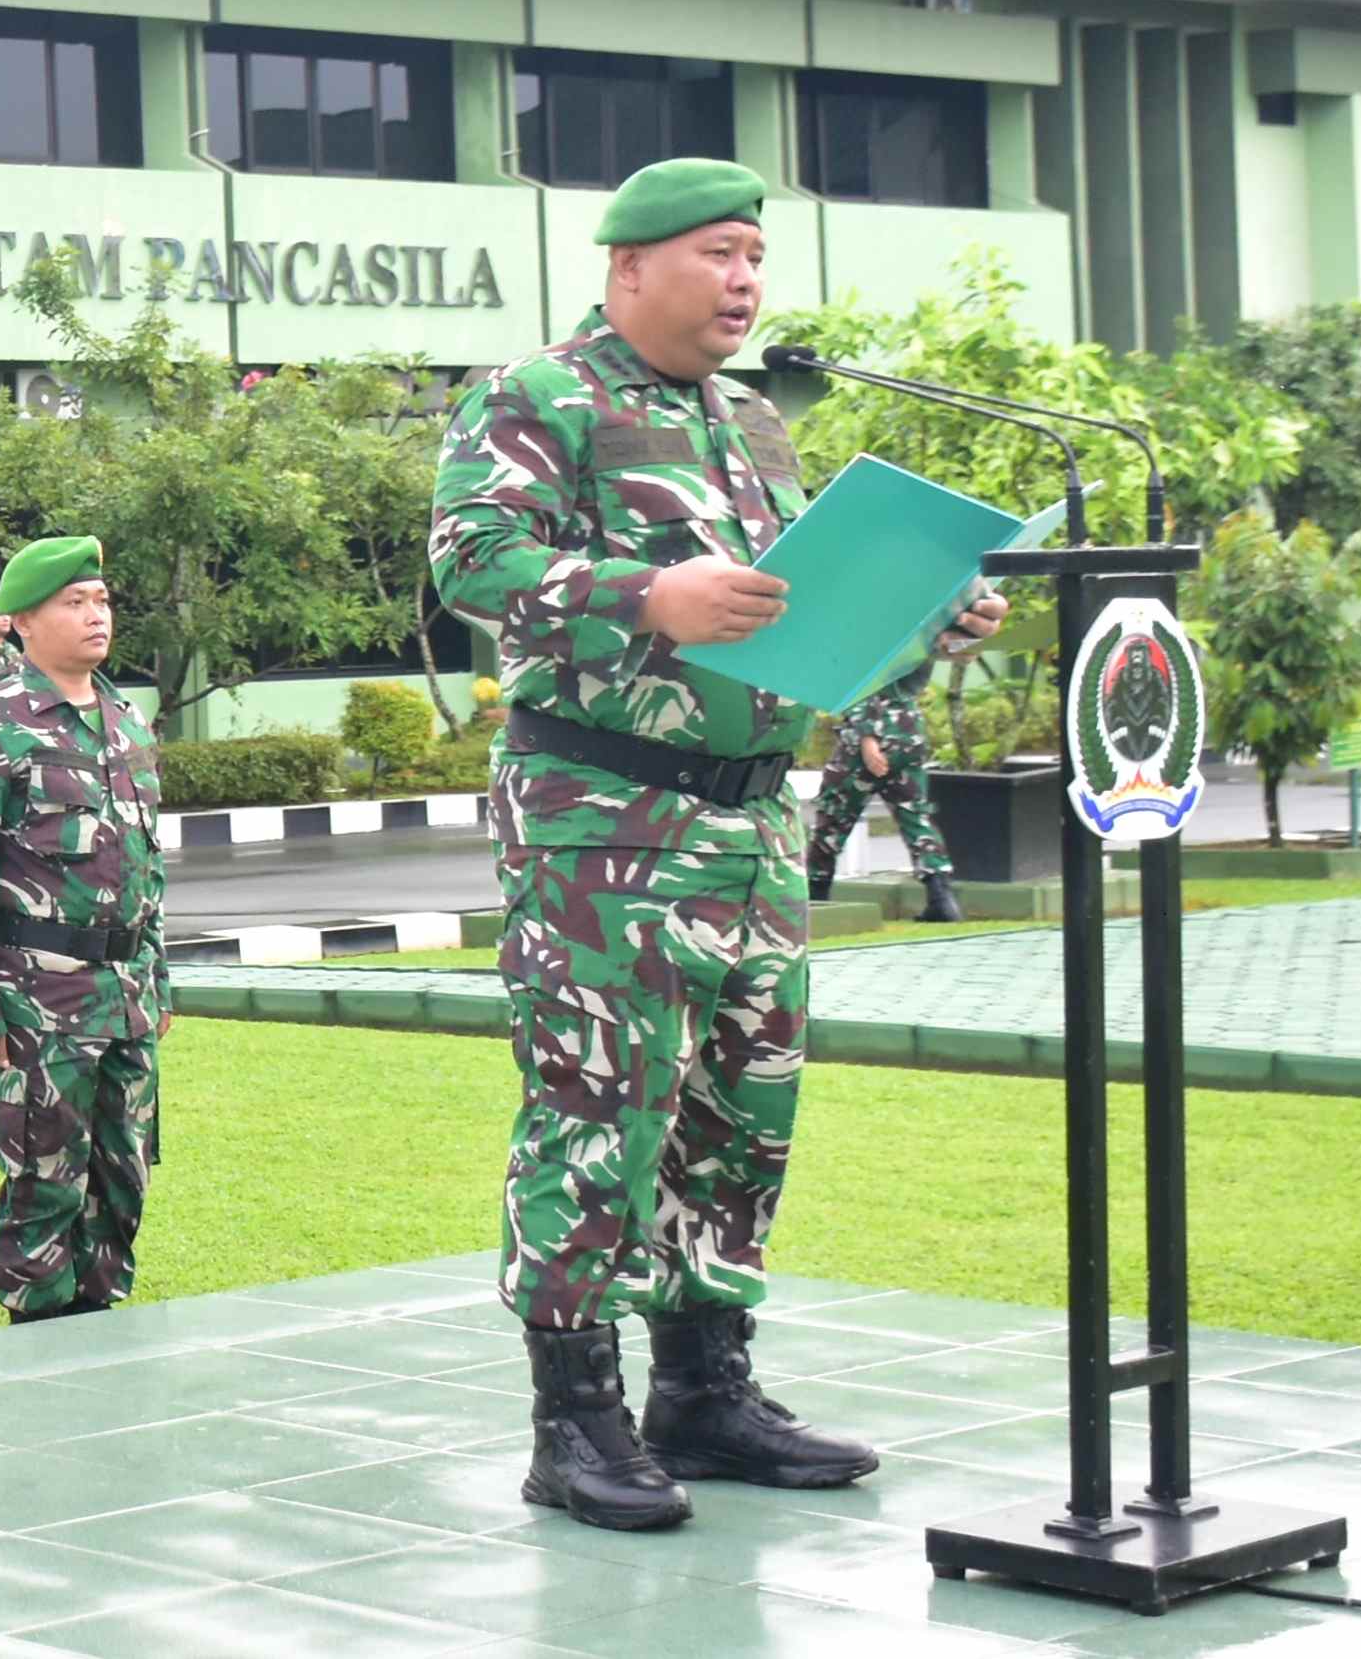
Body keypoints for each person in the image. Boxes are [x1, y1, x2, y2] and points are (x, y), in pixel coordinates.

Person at [431, 157, 1007, 1532]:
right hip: (601, 814)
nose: (746, 281)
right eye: (720, 253)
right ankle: (574, 1417)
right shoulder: (539, 395)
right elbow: (469, 561)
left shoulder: (755, 422)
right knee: (599, 1108)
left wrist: (927, 623)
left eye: (757, 255)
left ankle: (705, 1389)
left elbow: (794, 628)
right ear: (630, 267)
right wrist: (648, 594)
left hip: (752, 813)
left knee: (741, 1110)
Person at [0, 535, 171, 1324]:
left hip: (124, 995)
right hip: (38, 999)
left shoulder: (128, 722)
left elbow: (149, 868)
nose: (96, 614)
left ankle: (103, 1340)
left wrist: (159, 976)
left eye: (101, 599)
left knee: (123, 1182)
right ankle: (38, 1354)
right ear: (22, 622)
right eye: (75, 601)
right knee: (43, 1186)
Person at [805, 663, 961, 921]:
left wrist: (867, 737)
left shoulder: (865, 631)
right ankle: (941, 898)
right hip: (908, 730)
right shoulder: (914, 633)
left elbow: (862, 678)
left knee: (832, 818)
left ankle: (815, 897)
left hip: (869, 735)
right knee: (916, 816)